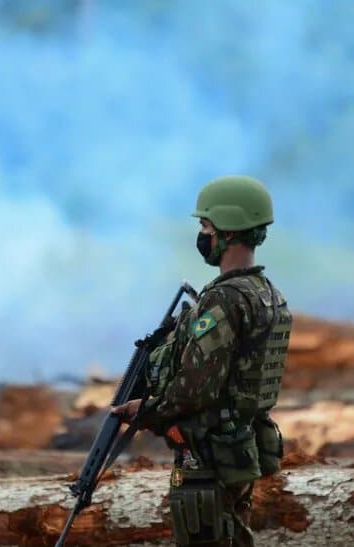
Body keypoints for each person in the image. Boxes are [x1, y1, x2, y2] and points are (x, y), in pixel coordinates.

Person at [111, 175, 292, 546]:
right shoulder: (267, 293)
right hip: (240, 447)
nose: (202, 234)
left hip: (211, 455)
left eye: (206, 226)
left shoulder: (224, 301)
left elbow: (196, 388)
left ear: (228, 231)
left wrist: (146, 410)